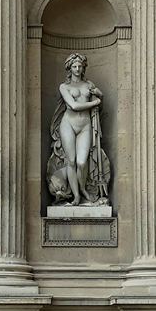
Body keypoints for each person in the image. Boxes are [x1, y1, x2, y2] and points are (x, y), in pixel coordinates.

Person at [47, 53, 110, 206]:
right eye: (74, 66)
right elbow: (73, 106)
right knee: (72, 160)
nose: (77, 69)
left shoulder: (89, 85)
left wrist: (99, 96)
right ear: (69, 68)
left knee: (82, 162)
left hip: (85, 125)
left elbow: (100, 103)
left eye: (80, 66)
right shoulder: (64, 87)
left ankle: (83, 190)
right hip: (68, 124)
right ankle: (76, 196)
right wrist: (94, 103)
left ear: (83, 68)